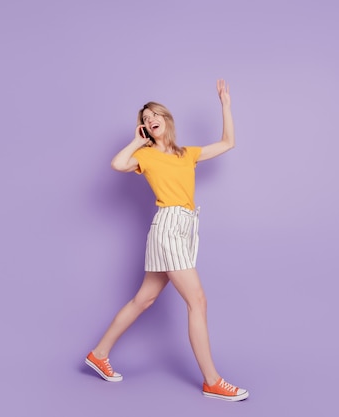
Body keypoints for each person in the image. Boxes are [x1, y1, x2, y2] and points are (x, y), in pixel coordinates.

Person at [85, 79, 248, 401]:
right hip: (168, 226)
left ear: (166, 120)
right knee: (197, 301)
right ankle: (212, 380)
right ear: (143, 128)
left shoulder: (187, 154)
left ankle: (98, 354)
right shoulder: (145, 156)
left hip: (186, 227)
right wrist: (135, 141)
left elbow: (228, 142)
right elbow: (118, 164)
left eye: (154, 115)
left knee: (143, 300)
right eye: (144, 119)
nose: (150, 120)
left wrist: (225, 105)